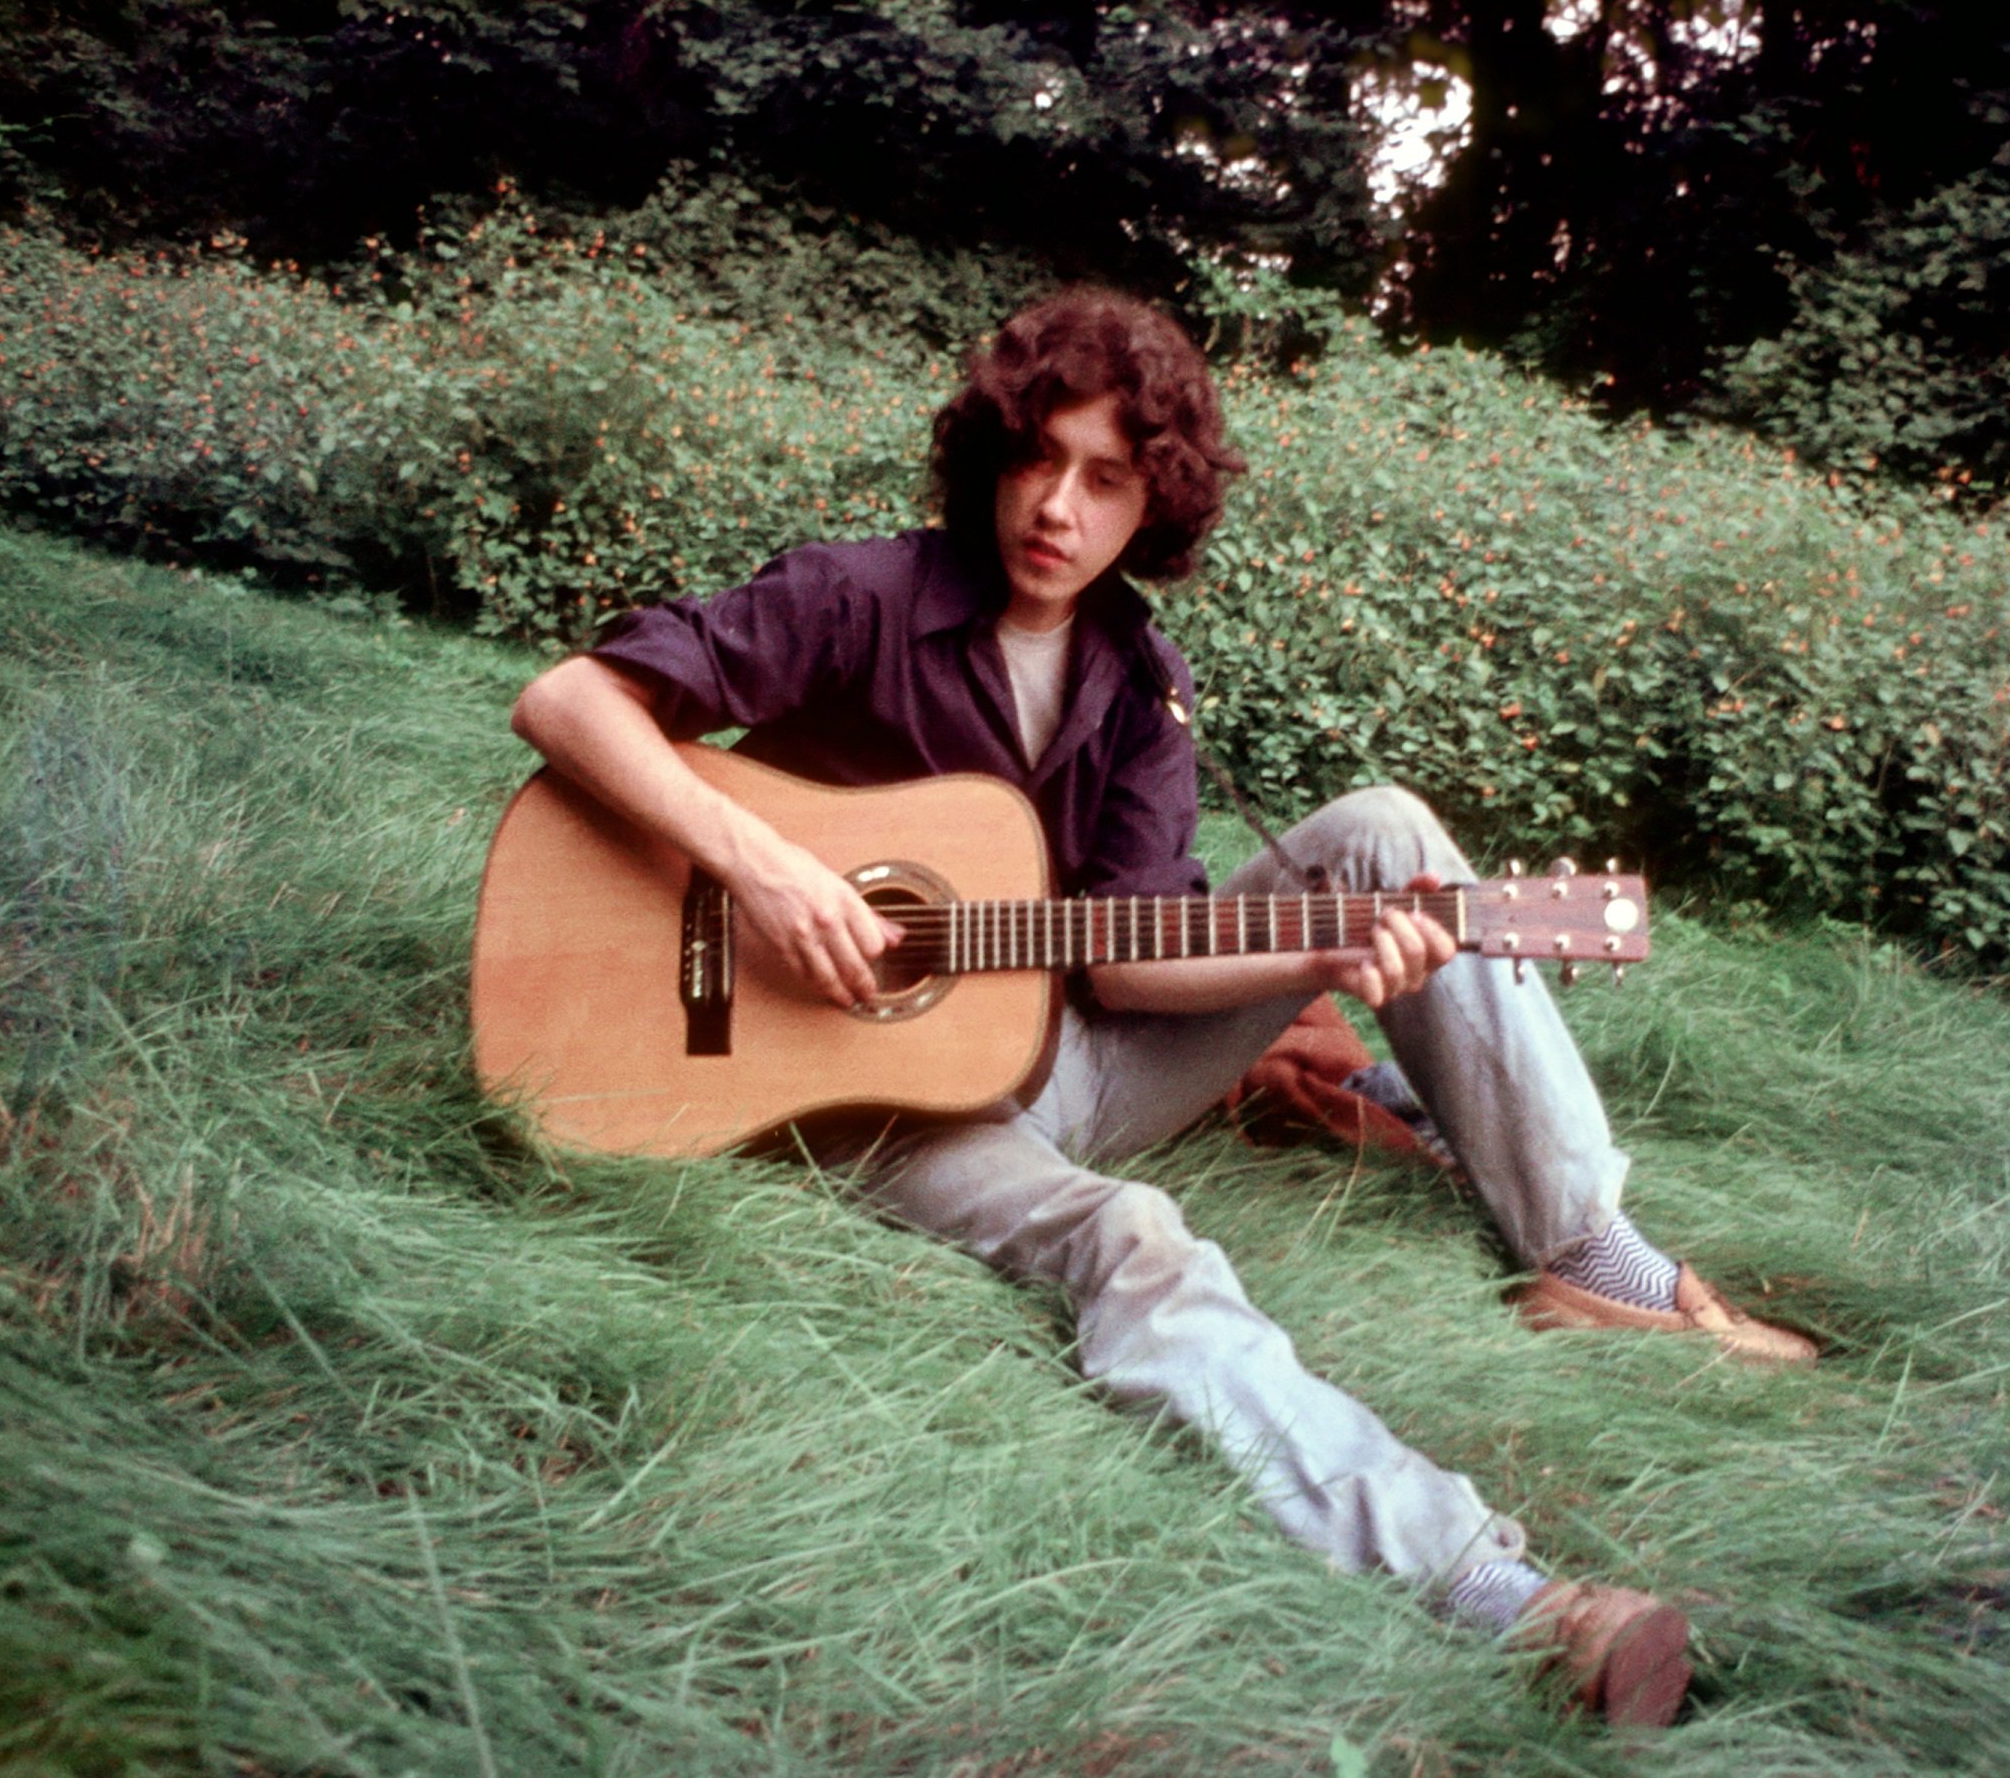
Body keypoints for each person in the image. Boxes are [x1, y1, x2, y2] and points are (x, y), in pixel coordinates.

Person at [507, 287, 1815, 1729]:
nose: (1055, 509)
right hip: (862, 1101)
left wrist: (1319, 955)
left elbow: (1127, 966)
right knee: (1132, 1235)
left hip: (1061, 1046)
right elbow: (568, 702)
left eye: (1105, 479)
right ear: (991, 455)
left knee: (1385, 834)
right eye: (1035, 459)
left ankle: (1591, 1253)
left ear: (1155, 506)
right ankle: (1508, 1599)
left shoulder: (1138, 680)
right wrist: (759, 871)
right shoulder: (855, 597)